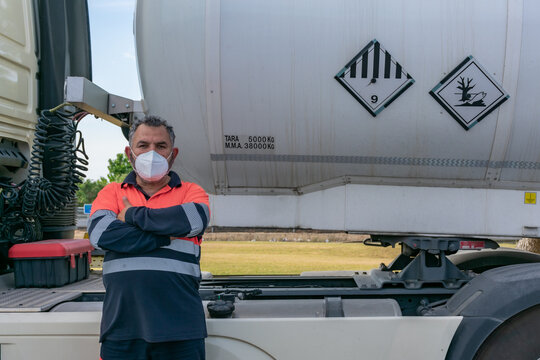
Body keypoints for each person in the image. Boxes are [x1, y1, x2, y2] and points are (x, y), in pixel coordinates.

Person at [88, 115, 210, 360]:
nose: (151, 153)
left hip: (182, 332)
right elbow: (101, 234)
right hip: (120, 330)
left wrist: (131, 214)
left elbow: (194, 220)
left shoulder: (191, 192)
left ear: (172, 154)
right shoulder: (111, 192)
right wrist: (166, 236)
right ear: (129, 152)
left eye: (160, 146)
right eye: (143, 145)